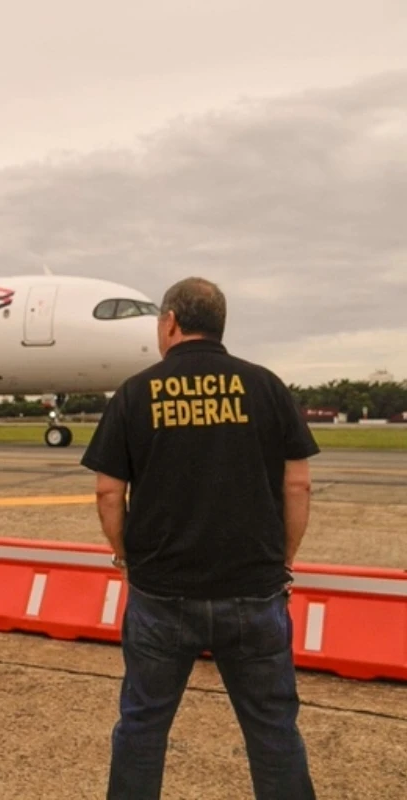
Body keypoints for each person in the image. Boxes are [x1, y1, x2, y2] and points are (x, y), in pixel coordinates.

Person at [80, 276, 318, 799]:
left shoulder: (136, 391)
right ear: (220, 325)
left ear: (170, 323)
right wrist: (283, 561)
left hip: (161, 594)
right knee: (273, 730)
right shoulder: (266, 386)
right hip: (253, 591)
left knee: (142, 728)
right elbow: (298, 483)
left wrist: (124, 556)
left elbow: (106, 492)